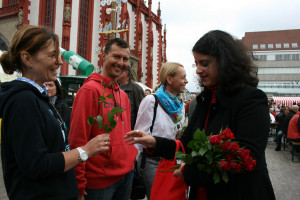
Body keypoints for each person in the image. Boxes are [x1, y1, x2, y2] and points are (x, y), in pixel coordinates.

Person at [125, 30, 275, 200]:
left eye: (204, 63)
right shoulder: (206, 99)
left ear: (225, 61)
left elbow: (246, 157)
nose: (198, 70)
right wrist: (155, 143)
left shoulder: (251, 99)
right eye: (196, 63)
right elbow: (186, 144)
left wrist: (189, 172)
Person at [0, 25, 110, 200]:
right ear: (27, 58)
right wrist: (85, 151)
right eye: (52, 55)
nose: (59, 62)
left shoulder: (38, 97)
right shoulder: (24, 101)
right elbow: (36, 165)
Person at [68, 38, 137, 200]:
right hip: (99, 182)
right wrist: (79, 183)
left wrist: (131, 157)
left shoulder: (122, 95)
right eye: (116, 56)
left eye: (125, 59)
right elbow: (78, 139)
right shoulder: (90, 91)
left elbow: (124, 133)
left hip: (126, 175)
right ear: (103, 56)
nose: (121, 63)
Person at [134, 62, 188, 199]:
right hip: (153, 163)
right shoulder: (151, 101)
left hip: (173, 161)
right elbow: (139, 137)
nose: (186, 81)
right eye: (182, 77)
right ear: (169, 79)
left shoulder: (179, 105)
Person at [117, 65, 145, 130]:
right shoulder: (115, 87)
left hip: (130, 131)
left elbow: (141, 114)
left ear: (126, 73)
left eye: (120, 70)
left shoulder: (137, 89)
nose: (117, 72)